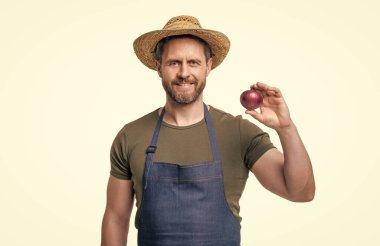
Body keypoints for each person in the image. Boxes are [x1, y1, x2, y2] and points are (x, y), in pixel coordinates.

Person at [101, 15, 315, 246]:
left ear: (208, 66)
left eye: (193, 62)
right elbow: (116, 217)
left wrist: (286, 128)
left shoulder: (239, 133)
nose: (184, 73)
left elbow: (301, 192)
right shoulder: (131, 136)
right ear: (158, 67)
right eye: (174, 62)